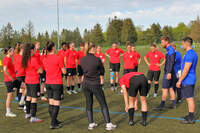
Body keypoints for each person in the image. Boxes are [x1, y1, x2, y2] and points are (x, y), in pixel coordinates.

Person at [81, 43, 117, 131]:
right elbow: (102, 72)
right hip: (95, 84)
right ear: (92, 49)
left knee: (89, 103)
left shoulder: (82, 59)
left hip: (85, 84)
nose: (96, 48)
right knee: (103, 103)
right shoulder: (97, 59)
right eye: (94, 47)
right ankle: (108, 124)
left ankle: (91, 123)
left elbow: (80, 71)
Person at [43, 41, 66, 129]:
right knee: (56, 103)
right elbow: (64, 71)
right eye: (55, 46)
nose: (56, 47)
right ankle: (53, 123)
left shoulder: (44, 58)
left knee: (51, 103)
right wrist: (64, 68)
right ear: (52, 48)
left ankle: (54, 120)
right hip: (56, 83)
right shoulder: (58, 58)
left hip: (48, 83)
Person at [176, 37, 198, 124]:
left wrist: (179, 80)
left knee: (189, 99)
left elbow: (186, 69)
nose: (182, 45)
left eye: (182, 43)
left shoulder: (189, 54)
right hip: (190, 78)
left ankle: (191, 118)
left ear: (186, 43)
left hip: (188, 79)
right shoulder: (193, 53)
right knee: (189, 98)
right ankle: (190, 115)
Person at [22, 43, 43, 123]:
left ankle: (27, 113)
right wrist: (39, 70)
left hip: (28, 80)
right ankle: (33, 117)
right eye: (34, 49)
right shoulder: (33, 59)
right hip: (34, 81)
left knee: (28, 97)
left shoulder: (25, 58)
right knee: (34, 99)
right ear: (31, 50)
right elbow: (40, 70)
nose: (36, 50)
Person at [154, 36, 176, 110]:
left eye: (162, 42)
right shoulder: (169, 50)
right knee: (170, 88)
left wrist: (169, 72)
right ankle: (174, 104)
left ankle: (162, 105)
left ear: (167, 42)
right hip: (170, 72)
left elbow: (172, 62)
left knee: (165, 89)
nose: (161, 44)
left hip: (168, 73)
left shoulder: (171, 50)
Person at [3, 46, 20, 117]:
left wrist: (14, 72)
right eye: (12, 50)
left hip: (14, 79)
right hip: (9, 80)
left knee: (25, 86)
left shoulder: (10, 58)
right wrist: (10, 77)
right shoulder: (6, 59)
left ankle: (22, 102)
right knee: (9, 96)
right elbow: (4, 69)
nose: (13, 52)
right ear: (9, 51)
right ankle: (8, 112)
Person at [13, 44, 26, 109]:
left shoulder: (17, 56)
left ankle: (21, 104)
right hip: (20, 75)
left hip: (22, 74)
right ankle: (21, 102)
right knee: (24, 89)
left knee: (22, 89)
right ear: (21, 49)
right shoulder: (19, 57)